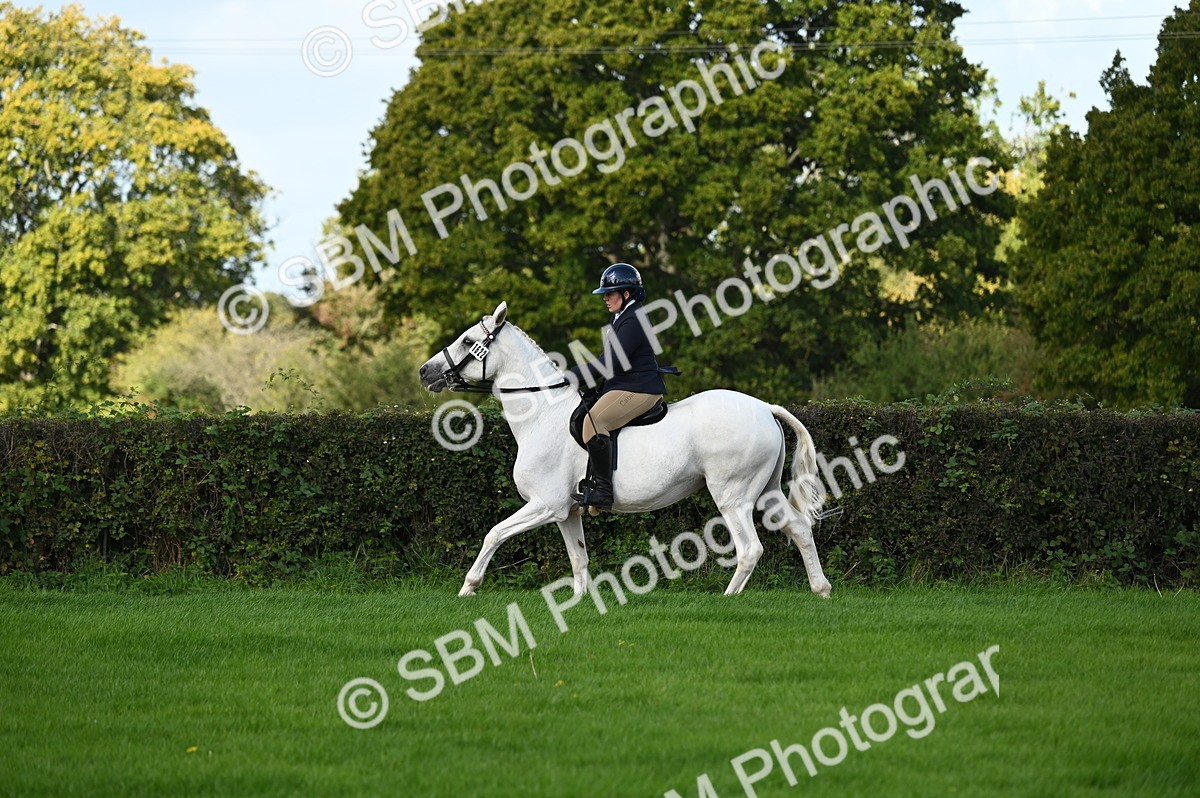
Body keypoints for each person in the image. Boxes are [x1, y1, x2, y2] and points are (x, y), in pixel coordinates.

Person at [567, 263, 667, 511]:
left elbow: (608, 363)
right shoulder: (621, 316)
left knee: (594, 422)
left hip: (640, 388)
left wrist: (572, 375)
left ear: (626, 294)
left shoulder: (634, 319)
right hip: (625, 384)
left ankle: (603, 491)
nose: (605, 299)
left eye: (609, 294)